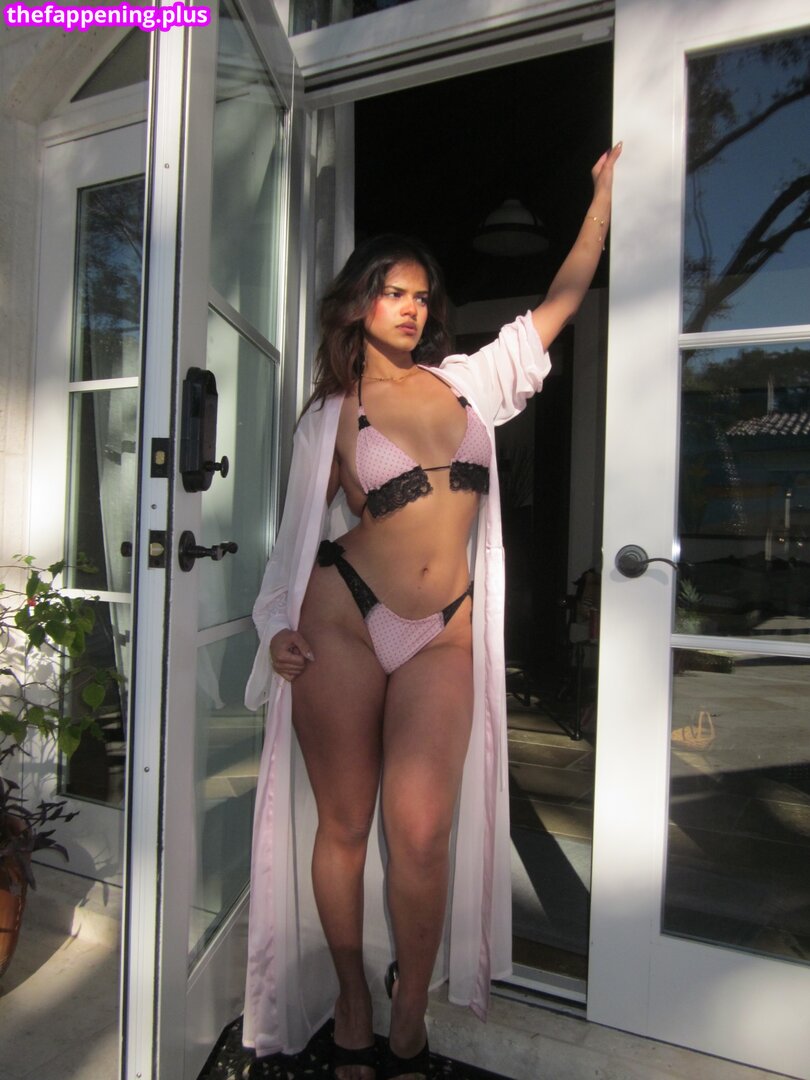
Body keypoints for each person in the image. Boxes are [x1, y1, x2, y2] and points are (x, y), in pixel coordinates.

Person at [243, 143, 622, 1080]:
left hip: (443, 629)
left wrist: (601, 204)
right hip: (342, 617)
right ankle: (352, 999)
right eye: (392, 292)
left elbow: (561, 300)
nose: (411, 308)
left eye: (421, 295)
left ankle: (410, 1005)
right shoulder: (330, 414)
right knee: (344, 824)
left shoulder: (468, 383)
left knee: (420, 833)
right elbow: (295, 537)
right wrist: (276, 625)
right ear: (359, 304)